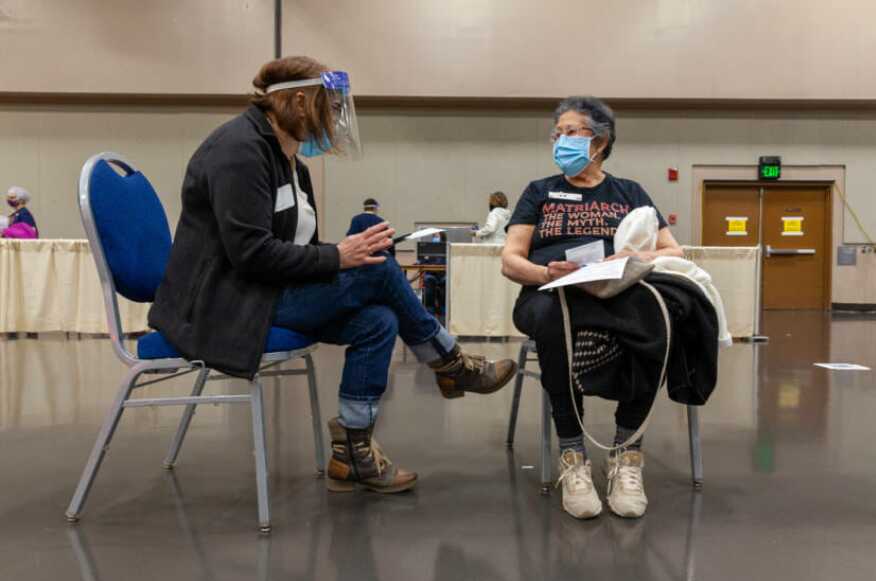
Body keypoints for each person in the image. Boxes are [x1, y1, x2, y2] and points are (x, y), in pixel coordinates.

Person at [148, 56, 516, 495]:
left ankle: (352, 454)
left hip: (268, 291)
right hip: (228, 302)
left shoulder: (292, 164)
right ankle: (451, 363)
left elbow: (297, 247)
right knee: (379, 272)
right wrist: (339, 257)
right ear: (299, 102)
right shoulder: (238, 152)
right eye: (330, 107)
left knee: (379, 320)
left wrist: (344, 253)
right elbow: (251, 255)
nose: (334, 119)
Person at [501, 96, 684, 520]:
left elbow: (673, 251)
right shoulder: (539, 192)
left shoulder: (630, 193)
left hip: (616, 290)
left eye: (570, 132)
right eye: (556, 134)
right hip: (549, 292)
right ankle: (573, 455)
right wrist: (545, 272)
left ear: (599, 142)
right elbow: (510, 260)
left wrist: (631, 259)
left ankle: (626, 452)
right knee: (553, 319)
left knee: (658, 317)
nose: (559, 141)